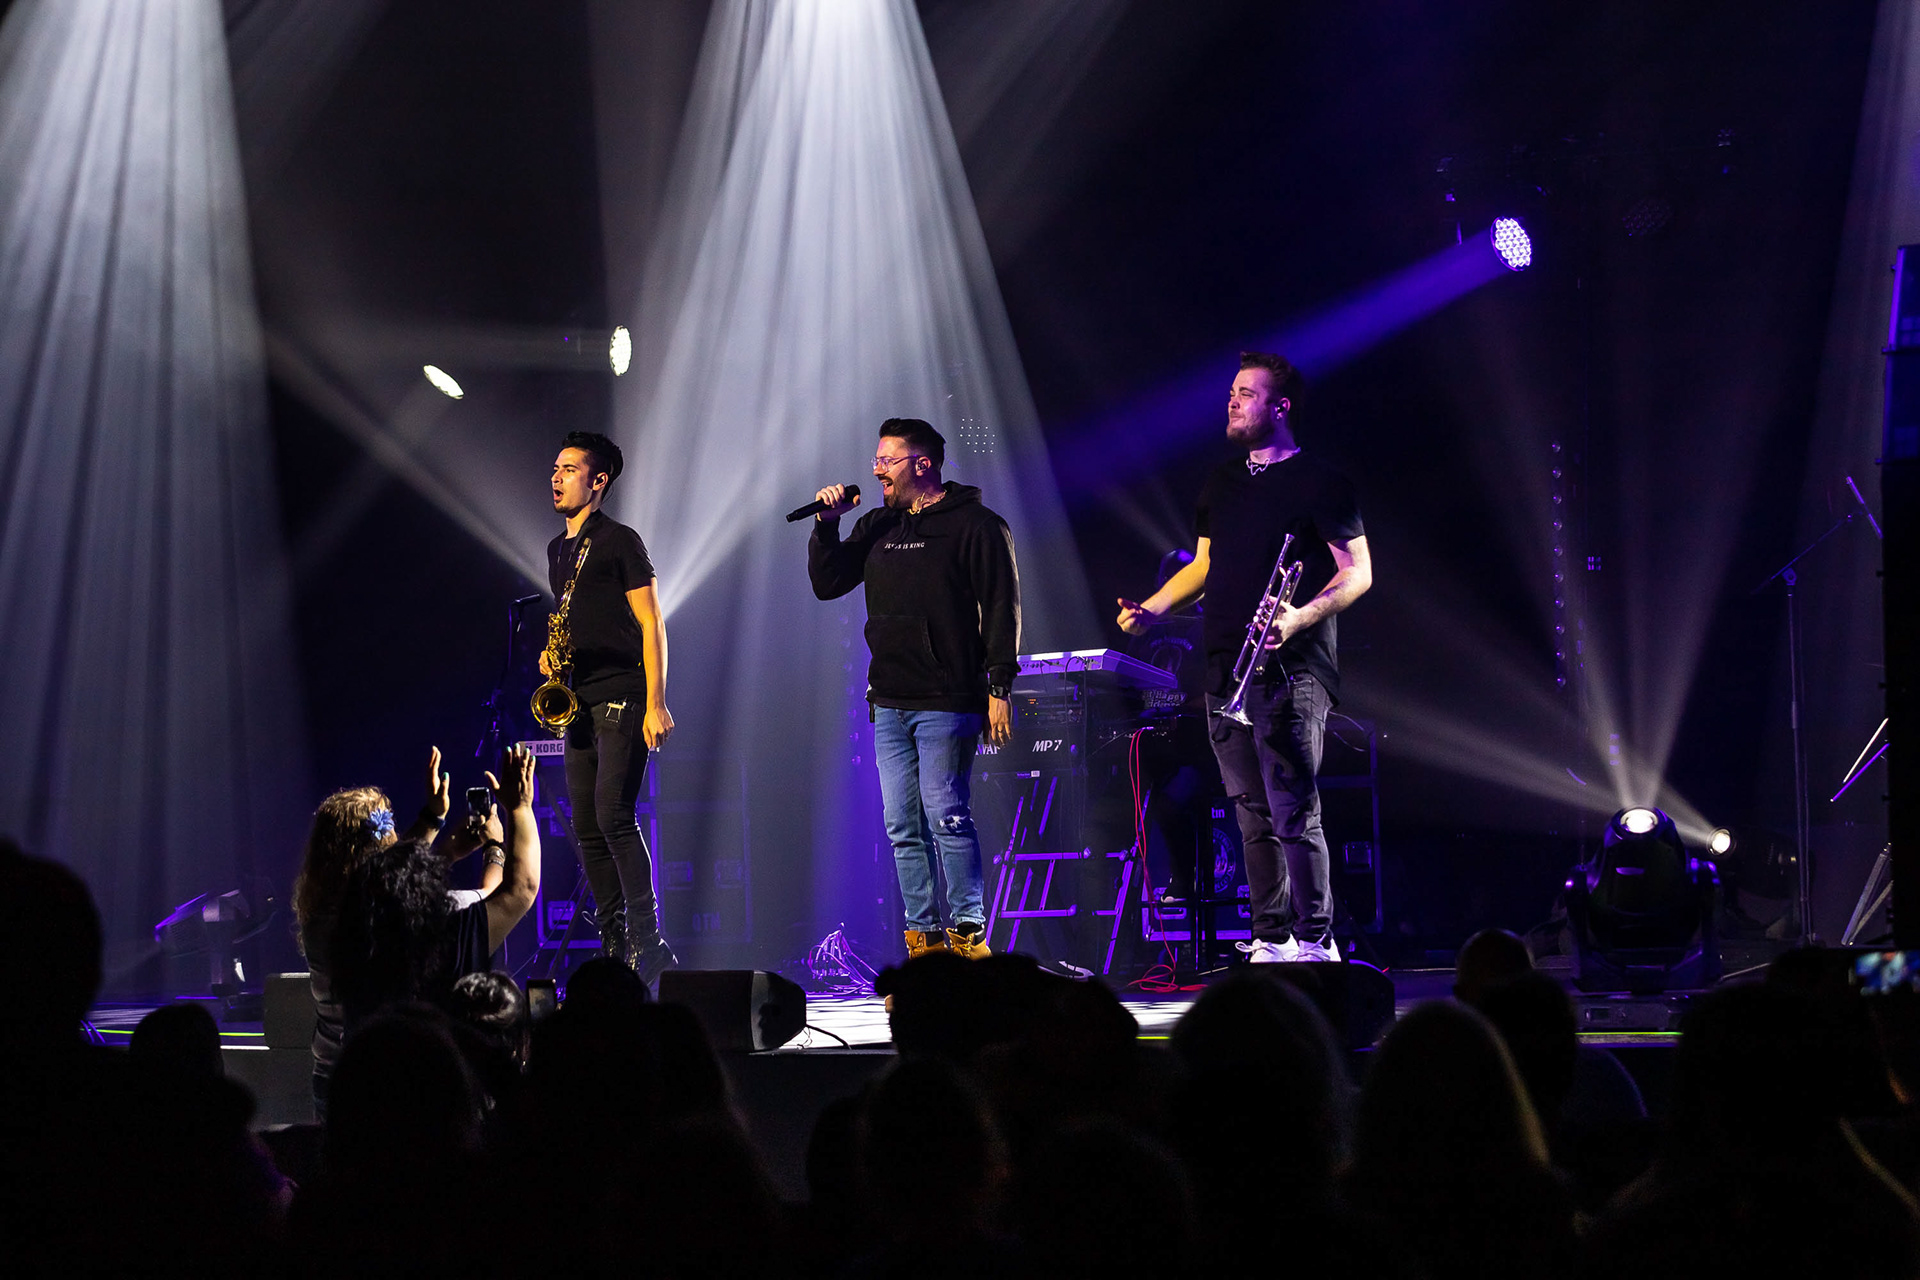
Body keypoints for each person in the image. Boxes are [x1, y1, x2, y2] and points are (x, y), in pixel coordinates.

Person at [1118, 352, 1372, 963]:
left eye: (1245, 394)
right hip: (1224, 668)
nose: (1231, 401)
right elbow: (1204, 566)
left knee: (1292, 808)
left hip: (1291, 667)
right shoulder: (1222, 482)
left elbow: (1358, 571)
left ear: (1279, 407)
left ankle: (1316, 939)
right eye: (1231, 392)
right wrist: (1153, 609)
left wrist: (1298, 616)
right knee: (1249, 812)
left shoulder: (1322, 480)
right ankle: (1271, 936)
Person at [807, 418, 1018, 962]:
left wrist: (999, 684)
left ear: (922, 464)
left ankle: (968, 936)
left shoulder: (976, 525)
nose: (876, 469)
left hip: (947, 697)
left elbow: (1001, 606)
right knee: (903, 826)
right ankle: (923, 943)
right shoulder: (877, 524)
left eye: (887, 460)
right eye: (876, 460)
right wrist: (827, 525)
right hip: (889, 700)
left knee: (946, 813)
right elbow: (828, 584)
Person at [292, 746, 503, 1113]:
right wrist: (495, 846)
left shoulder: (319, 913)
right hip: (384, 1074)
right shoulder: (377, 912)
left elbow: (390, 880)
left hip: (332, 1076)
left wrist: (434, 823)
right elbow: (496, 895)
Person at [545, 430, 677, 983]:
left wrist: (656, 703)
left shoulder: (621, 540)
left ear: (598, 481)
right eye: (555, 467)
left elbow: (652, 621)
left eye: (569, 469)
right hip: (578, 698)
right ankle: (615, 943)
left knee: (613, 816)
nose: (556, 477)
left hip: (624, 689)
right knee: (586, 825)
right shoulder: (557, 550)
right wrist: (552, 660)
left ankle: (649, 943)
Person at [329, 744, 541, 1031]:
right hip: (440, 1057)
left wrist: (442, 841)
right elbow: (521, 888)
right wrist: (517, 811)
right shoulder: (447, 931)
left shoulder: (338, 927)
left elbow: (394, 877)